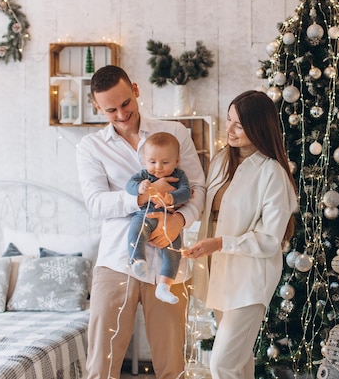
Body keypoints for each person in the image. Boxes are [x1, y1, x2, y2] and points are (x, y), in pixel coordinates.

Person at [76, 65, 206, 379]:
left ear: (135, 89)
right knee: (101, 364)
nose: (121, 114)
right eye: (110, 109)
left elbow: (198, 188)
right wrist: (141, 197)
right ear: (98, 108)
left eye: (125, 103)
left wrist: (180, 220)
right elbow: (95, 203)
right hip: (117, 260)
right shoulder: (91, 148)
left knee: (171, 363)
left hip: (167, 262)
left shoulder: (175, 132)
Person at [182, 90, 297, 379]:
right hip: (220, 273)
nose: (229, 130)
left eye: (239, 125)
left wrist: (220, 243)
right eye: (229, 120)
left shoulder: (272, 173)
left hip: (250, 280)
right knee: (240, 361)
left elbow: (271, 239)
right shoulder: (222, 160)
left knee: (221, 364)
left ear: (258, 127)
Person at [126, 132, 191, 305]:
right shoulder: (144, 176)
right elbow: (129, 185)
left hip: (169, 220)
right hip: (145, 215)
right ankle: (138, 260)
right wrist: (140, 187)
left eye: (165, 162)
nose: (158, 167)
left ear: (176, 161)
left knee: (174, 252)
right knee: (135, 232)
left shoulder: (179, 176)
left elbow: (187, 192)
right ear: (144, 161)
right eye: (152, 162)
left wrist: (173, 198)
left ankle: (164, 286)